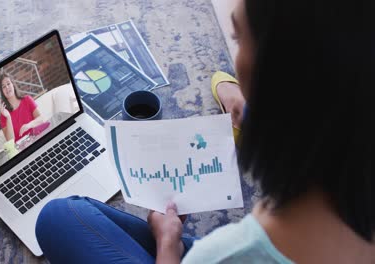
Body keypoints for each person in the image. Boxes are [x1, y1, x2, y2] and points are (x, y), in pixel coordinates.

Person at [35, 0, 375, 263]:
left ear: (276, 74)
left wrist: (168, 246)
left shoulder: (226, 253)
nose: (235, 56)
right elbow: (220, 80)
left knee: (57, 218)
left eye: (238, 38)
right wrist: (240, 98)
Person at [0, 73, 44, 143]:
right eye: (3, 87)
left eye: (8, 84)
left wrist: (29, 125)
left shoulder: (27, 100)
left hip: (37, 139)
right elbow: (11, 141)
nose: (7, 87)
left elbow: (41, 119)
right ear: (2, 92)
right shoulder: (3, 115)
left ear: (13, 84)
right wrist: (8, 117)